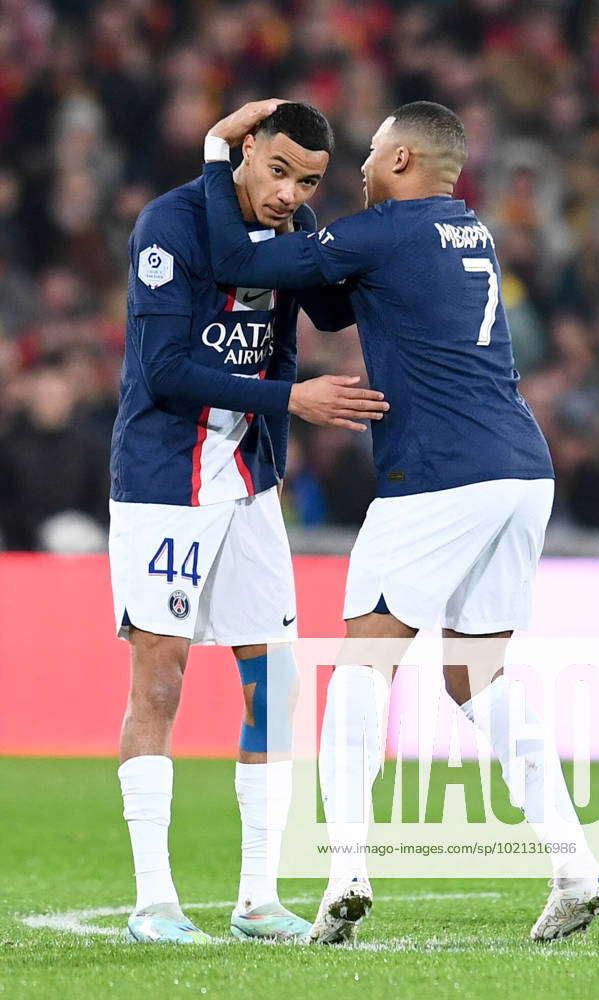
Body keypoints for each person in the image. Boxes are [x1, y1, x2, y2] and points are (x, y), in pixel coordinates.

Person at [201, 100, 599, 944]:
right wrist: (311, 218)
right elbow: (335, 302)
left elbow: (234, 255)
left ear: (399, 160)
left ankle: (345, 870)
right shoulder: (469, 231)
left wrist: (221, 158)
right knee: (476, 679)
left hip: (438, 473)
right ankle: (576, 864)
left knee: (360, 664)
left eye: (366, 155)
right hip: (519, 469)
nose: (355, 168)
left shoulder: (385, 231)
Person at [109, 100, 389, 945]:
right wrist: (290, 399)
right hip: (166, 483)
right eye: (277, 171)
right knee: (160, 683)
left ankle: (256, 897)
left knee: (275, 686)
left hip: (249, 484)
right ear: (244, 152)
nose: (288, 193)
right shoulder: (170, 223)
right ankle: (153, 901)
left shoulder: (295, 226)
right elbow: (163, 370)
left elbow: (321, 318)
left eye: (305, 181)